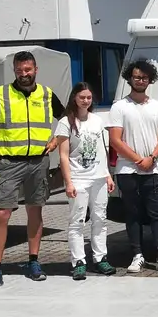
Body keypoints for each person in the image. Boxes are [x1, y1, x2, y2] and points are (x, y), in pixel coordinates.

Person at [0, 50, 58, 292]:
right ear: (14, 71)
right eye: (20, 70)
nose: (24, 74)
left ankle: (33, 262)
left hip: (38, 163)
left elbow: (66, 119)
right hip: (9, 163)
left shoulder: (46, 94)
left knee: (35, 212)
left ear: (35, 69)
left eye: (28, 69)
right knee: (1, 214)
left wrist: (54, 142)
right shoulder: (1, 94)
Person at [107, 58, 158, 274]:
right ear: (130, 77)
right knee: (132, 214)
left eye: (144, 77)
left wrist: (151, 157)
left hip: (156, 169)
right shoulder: (119, 107)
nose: (140, 80)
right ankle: (137, 255)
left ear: (150, 80)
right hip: (127, 171)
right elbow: (115, 139)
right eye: (137, 76)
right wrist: (138, 160)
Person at [56, 82, 117, 281]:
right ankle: (78, 262)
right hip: (78, 178)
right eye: (82, 97)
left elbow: (102, 150)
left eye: (89, 97)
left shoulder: (97, 121)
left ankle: (100, 258)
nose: (85, 101)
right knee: (77, 221)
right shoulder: (66, 122)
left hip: (98, 177)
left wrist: (107, 175)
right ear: (75, 98)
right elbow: (63, 156)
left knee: (100, 219)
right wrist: (68, 182)